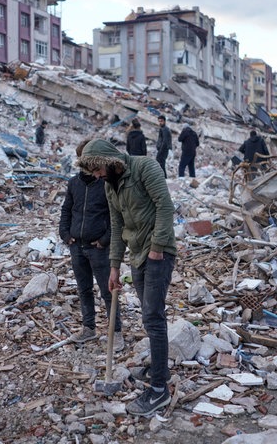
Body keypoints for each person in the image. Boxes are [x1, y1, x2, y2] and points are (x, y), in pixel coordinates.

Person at [77, 138, 176, 417]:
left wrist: (157, 248)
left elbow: (165, 207)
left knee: (153, 317)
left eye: (97, 170)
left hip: (159, 253)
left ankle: (159, 391)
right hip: (137, 255)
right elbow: (118, 223)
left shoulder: (145, 167)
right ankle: (161, 370)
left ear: (109, 162)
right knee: (150, 316)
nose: (96, 176)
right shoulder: (110, 185)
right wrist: (114, 266)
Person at [59, 140, 124, 352]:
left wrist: (104, 240)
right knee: (84, 289)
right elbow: (67, 210)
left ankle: (116, 332)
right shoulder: (73, 184)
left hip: (98, 248)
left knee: (108, 291)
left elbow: (116, 216)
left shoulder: (106, 184)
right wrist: (65, 234)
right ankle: (89, 328)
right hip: (77, 246)